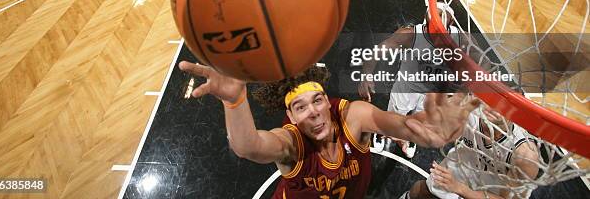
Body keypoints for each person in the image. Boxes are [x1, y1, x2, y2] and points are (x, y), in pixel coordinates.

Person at [178, 61, 479, 198]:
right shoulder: (291, 143)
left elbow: (402, 125)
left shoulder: (353, 117)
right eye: (301, 107)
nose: (314, 112)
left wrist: (430, 129)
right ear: (291, 117)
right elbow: (249, 146)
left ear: (326, 100)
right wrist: (234, 101)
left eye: (317, 100)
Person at [359, 3, 464, 158]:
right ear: (426, 20)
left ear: (451, 23)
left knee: (418, 121)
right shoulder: (411, 34)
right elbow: (379, 49)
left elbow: (484, 63)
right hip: (406, 87)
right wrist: (366, 75)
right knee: (392, 118)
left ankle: (408, 139)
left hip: (431, 94)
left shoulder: (461, 39)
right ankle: (381, 133)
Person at [401, 106, 539, 199]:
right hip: (461, 169)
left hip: (489, 192)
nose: (494, 107)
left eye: (504, 105)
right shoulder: (470, 111)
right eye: (493, 99)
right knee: (420, 191)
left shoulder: (525, 156)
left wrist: (460, 189)